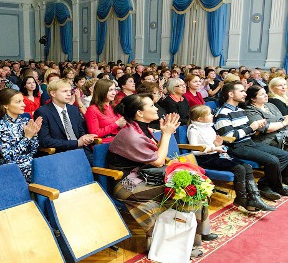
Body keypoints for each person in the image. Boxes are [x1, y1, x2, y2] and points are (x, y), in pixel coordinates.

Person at [108, 95, 216, 252]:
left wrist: (165, 132)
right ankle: (185, 244)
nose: (156, 108)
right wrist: (166, 134)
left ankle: (199, 232)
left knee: (195, 184)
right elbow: (158, 161)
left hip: (144, 176)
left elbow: (156, 155)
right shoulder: (131, 135)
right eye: (151, 106)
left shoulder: (140, 128)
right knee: (187, 190)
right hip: (128, 185)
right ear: (139, 113)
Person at [188, 105, 274, 211]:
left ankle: (254, 198)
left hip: (216, 154)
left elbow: (212, 143)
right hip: (205, 158)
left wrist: (217, 143)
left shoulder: (209, 127)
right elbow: (195, 151)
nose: (212, 116)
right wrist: (214, 148)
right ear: (200, 119)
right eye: (209, 114)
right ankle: (242, 199)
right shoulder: (193, 129)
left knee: (247, 166)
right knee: (239, 168)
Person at [214, 82, 288, 200]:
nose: (245, 94)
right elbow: (228, 137)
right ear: (231, 94)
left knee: (284, 155)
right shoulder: (222, 113)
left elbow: (248, 131)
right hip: (236, 147)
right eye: (242, 91)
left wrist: (255, 128)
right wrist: (252, 127)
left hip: (249, 142)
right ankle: (268, 186)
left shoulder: (239, 110)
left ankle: (266, 184)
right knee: (273, 160)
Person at [34, 79, 96, 161]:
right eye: (64, 91)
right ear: (53, 93)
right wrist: (76, 143)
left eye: (70, 91)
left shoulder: (73, 109)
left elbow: (81, 132)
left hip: (82, 152)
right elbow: (45, 141)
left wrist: (86, 138)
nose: (69, 94)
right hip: (60, 155)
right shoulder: (43, 112)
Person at [0, 88, 42, 182]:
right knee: (44, 176)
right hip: (12, 168)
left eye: (22, 101)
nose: (24, 104)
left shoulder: (25, 121)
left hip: (30, 162)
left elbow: (33, 151)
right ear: (6, 105)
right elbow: (9, 157)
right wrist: (27, 137)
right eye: (18, 102)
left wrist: (34, 134)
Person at [244, 85, 288, 149]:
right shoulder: (250, 111)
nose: (266, 95)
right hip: (269, 140)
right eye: (262, 94)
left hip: (284, 133)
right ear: (253, 98)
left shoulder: (270, 105)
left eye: (265, 93)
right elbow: (265, 128)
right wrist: (284, 123)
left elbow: (280, 118)